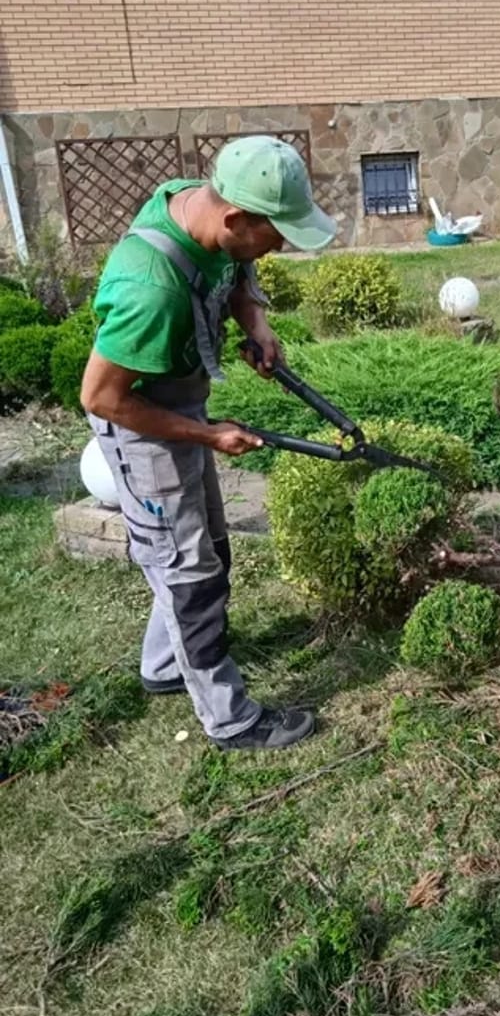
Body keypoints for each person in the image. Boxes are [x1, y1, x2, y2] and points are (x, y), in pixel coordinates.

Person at [80, 136, 336, 751]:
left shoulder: (196, 205)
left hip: (179, 405)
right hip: (141, 424)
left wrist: (256, 324)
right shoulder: (151, 291)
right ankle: (231, 719)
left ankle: (166, 666)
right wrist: (208, 435)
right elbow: (103, 398)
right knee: (189, 571)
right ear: (235, 219)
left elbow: (235, 269)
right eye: (275, 236)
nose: (276, 250)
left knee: (202, 549)